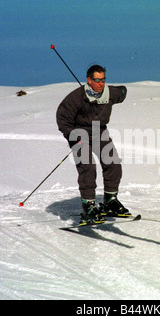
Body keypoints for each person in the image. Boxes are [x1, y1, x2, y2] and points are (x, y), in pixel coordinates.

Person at [56, 65, 130, 224]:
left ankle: (110, 201)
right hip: (79, 133)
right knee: (88, 166)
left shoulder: (109, 93)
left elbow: (122, 92)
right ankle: (88, 207)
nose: (101, 83)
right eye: (97, 80)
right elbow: (62, 117)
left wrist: (122, 91)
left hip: (99, 131)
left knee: (113, 162)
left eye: (103, 79)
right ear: (89, 80)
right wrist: (71, 136)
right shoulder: (76, 97)